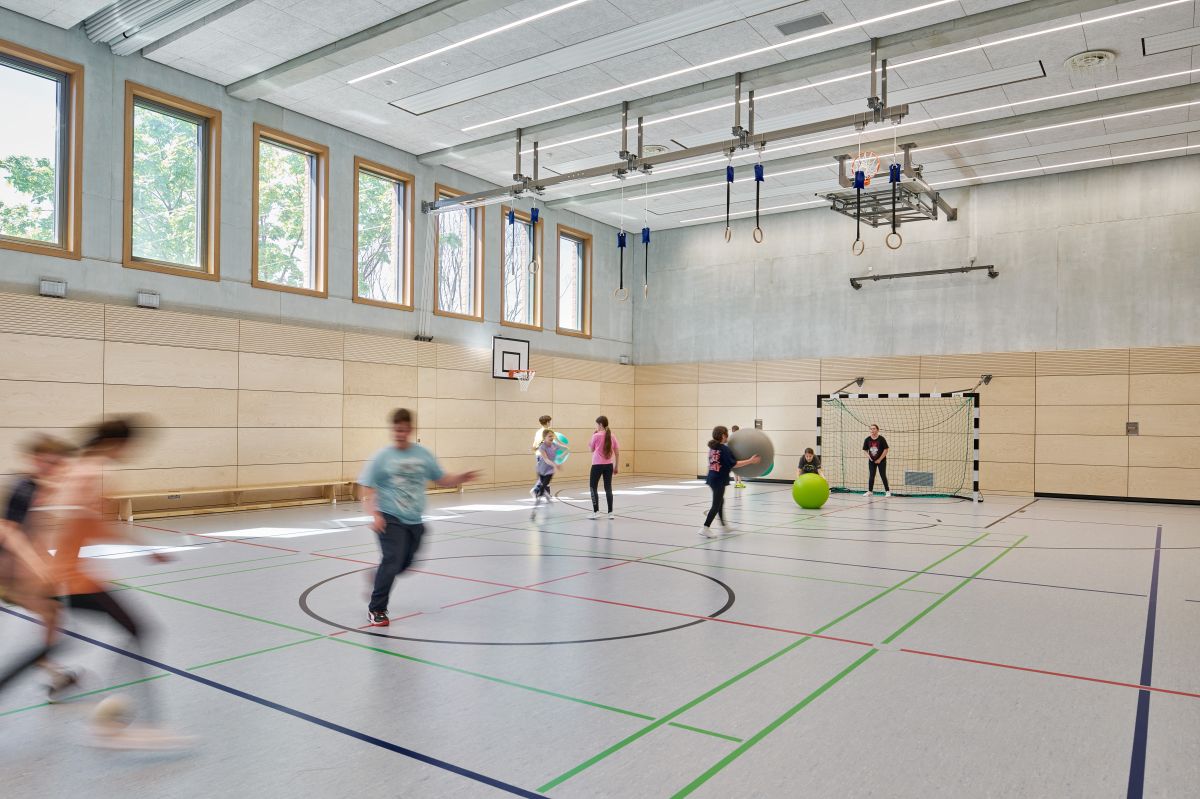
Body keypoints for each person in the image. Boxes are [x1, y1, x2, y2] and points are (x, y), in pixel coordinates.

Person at [48, 418, 192, 749]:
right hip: (71, 579)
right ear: (117, 443)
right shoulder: (94, 470)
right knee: (139, 630)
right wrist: (145, 548)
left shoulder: (76, 467)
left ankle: (106, 713)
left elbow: (76, 518)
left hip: (63, 575)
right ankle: (116, 724)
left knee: (132, 631)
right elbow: (90, 521)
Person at [360, 408, 479, 627]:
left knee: (404, 566)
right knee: (392, 559)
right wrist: (375, 514)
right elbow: (366, 487)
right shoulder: (383, 457)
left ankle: (378, 576)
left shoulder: (422, 454)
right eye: (396, 430)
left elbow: (442, 479)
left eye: (403, 430)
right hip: (390, 517)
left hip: (414, 520)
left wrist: (460, 477)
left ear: (410, 429)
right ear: (392, 430)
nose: (399, 434)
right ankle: (376, 609)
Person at [0, 435, 72, 700]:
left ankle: (51, 670)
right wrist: (36, 563)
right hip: (7, 572)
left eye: (59, 465)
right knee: (52, 613)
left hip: (14, 572)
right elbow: (8, 530)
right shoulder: (24, 488)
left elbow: (32, 531)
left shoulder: (36, 488)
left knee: (53, 613)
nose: (55, 470)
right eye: (50, 463)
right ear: (37, 460)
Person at [699, 426, 760, 538]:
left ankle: (723, 526)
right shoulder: (723, 449)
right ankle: (705, 528)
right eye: (726, 434)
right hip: (718, 479)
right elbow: (734, 464)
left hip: (712, 478)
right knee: (716, 505)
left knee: (720, 501)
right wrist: (751, 461)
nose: (728, 436)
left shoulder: (713, 448)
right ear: (723, 435)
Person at [588, 416, 619, 520]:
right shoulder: (612, 436)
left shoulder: (596, 436)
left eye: (597, 424)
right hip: (609, 465)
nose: (596, 426)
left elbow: (591, 449)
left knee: (593, 488)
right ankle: (611, 513)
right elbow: (617, 452)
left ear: (600, 424)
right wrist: (616, 466)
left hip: (597, 465)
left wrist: (593, 435)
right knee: (608, 488)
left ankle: (596, 511)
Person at [531, 428, 560, 515]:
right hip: (541, 469)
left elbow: (560, 452)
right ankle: (544, 494)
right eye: (549, 436)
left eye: (552, 436)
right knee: (542, 486)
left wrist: (565, 450)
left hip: (550, 470)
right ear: (544, 438)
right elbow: (546, 459)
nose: (552, 437)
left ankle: (535, 509)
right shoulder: (542, 447)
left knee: (543, 486)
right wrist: (555, 464)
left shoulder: (554, 445)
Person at [863, 424, 891, 497]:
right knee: (871, 475)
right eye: (871, 429)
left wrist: (880, 459)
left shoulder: (881, 439)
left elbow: (886, 449)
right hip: (872, 461)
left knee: (883, 475)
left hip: (881, 461)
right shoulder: (867, 439)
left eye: (874, 428)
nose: (872, 430)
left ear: (877, 430)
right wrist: (869, 457)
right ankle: (870, 491)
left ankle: (887, 491)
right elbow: (865, 450)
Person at [530, 415, 554, 500]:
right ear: (547, 422)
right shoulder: (547, 432)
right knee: (547, 475)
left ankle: (545, 493)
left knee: (545, 474)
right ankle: (536, 490)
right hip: (544, 455)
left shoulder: (538, 432)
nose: (550, 423)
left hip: (538, 454)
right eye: (549, 421)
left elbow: (534, 445)